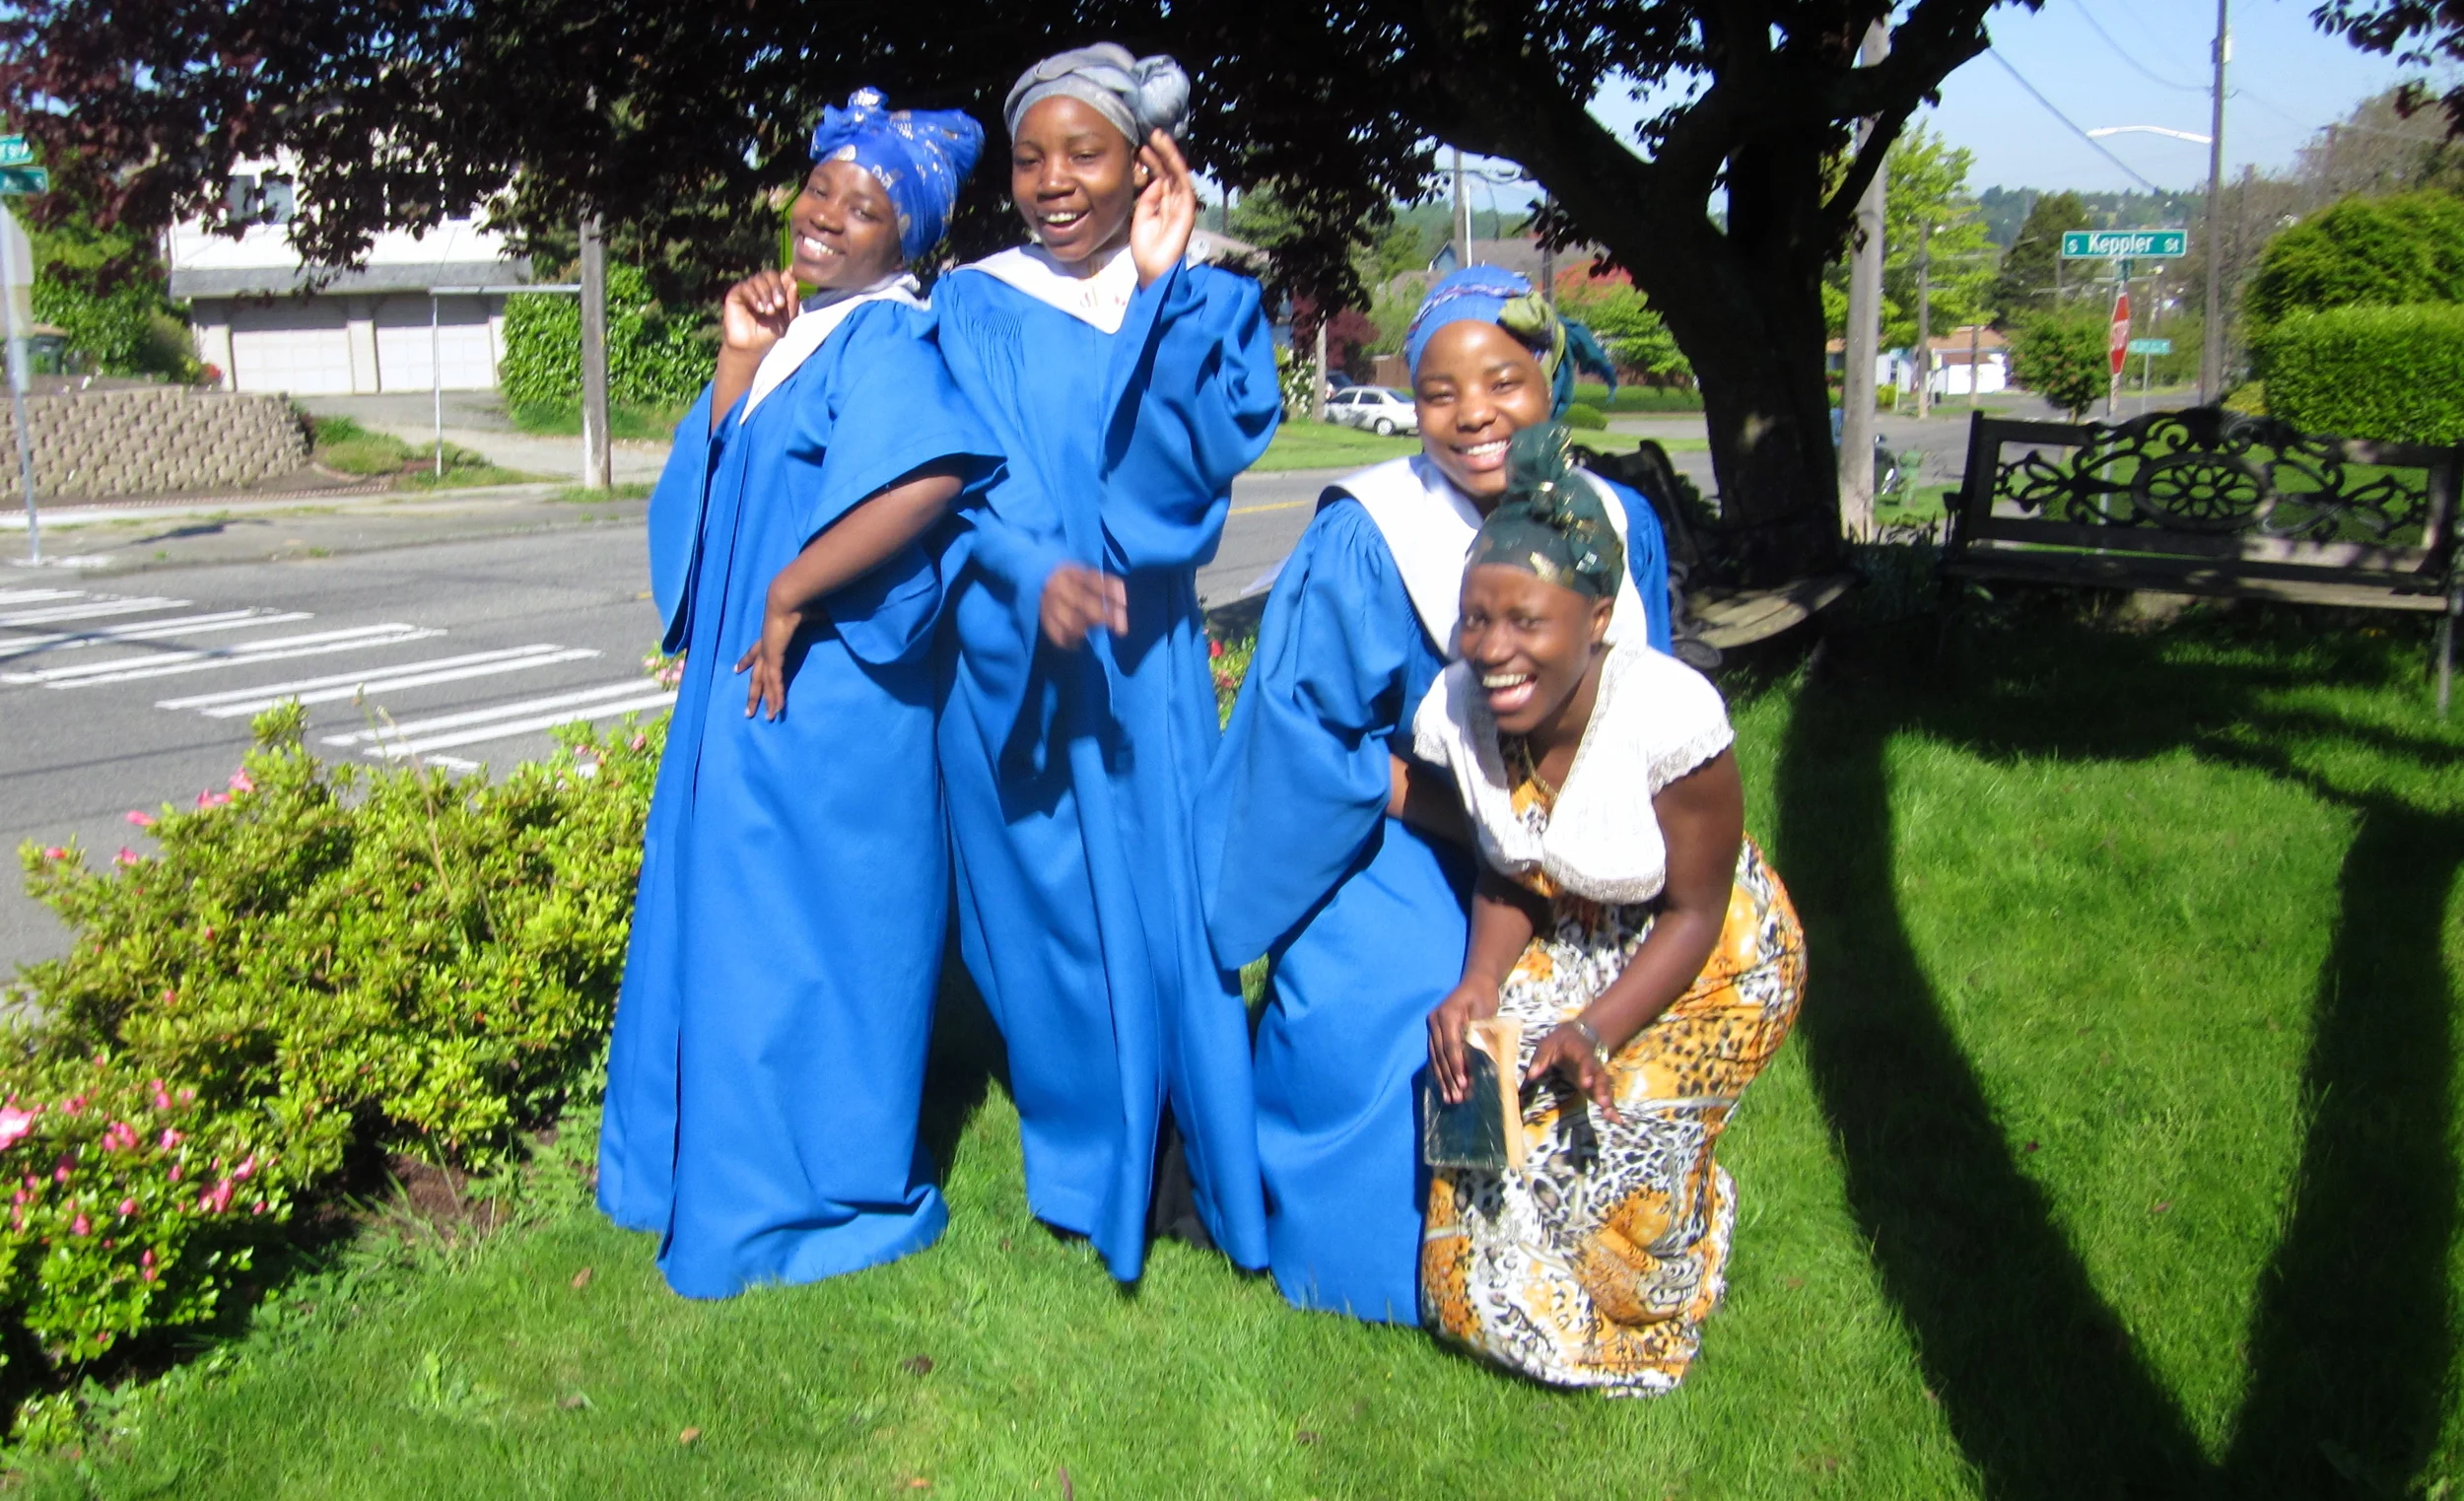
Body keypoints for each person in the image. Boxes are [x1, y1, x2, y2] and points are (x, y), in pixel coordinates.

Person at [1198, 265, 1673, 1324]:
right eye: (1440, 394)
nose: (1474, 416)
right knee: (1398, 993)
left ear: (1549, 379)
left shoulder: (1621, 521)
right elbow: (1310, 733)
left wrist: (1575, 830)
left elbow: (1656, 705)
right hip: (1410, 824)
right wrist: (1465, 814)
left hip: (1582, 840)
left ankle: (1589, 1254)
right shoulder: (1371, 530)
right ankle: (1393, 1266)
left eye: (1503, 380)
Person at [596, 90, 998, 1298]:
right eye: (821, 186)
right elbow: (716, 487)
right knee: (728, 924)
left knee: (803, 944)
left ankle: (803, 1188)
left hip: (826, 703)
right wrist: (734, 354)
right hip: (749, 696)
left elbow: (927, 481)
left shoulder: (888, 338)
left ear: (909, 238)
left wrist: (789, 593)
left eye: (864, 204)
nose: (827, 214)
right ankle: (690, 1168)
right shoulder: (805, 333)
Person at [932, 44, 1278, 1282]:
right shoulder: (969, 303)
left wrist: (1161, 290)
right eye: (1031, 158)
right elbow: (947, 486)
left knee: (1171, 903)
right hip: (1015, 656)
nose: (1053, 181)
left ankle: (1191, 1147)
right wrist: (1032, 577)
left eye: (1085, 154)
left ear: (1147, 164)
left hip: (1147, 653)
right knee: (1050, 919)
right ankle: (1091, 1157)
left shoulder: (1200, 296)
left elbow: (1191, 472)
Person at [1414, 423, 1805, 1395]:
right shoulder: (1464, 706)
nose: (1492, 650)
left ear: (1595, 618)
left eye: (1525, 622)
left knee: (1618, 1126)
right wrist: (1477, 985)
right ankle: (1498, 1309)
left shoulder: (1667, 717)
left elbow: (1695, 907)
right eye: (1475, 619)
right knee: (1480, 1090)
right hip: (1579, 926)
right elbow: (1512, 864)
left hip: (1711, 956)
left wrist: (1594, 1027)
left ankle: (1664, 1280)